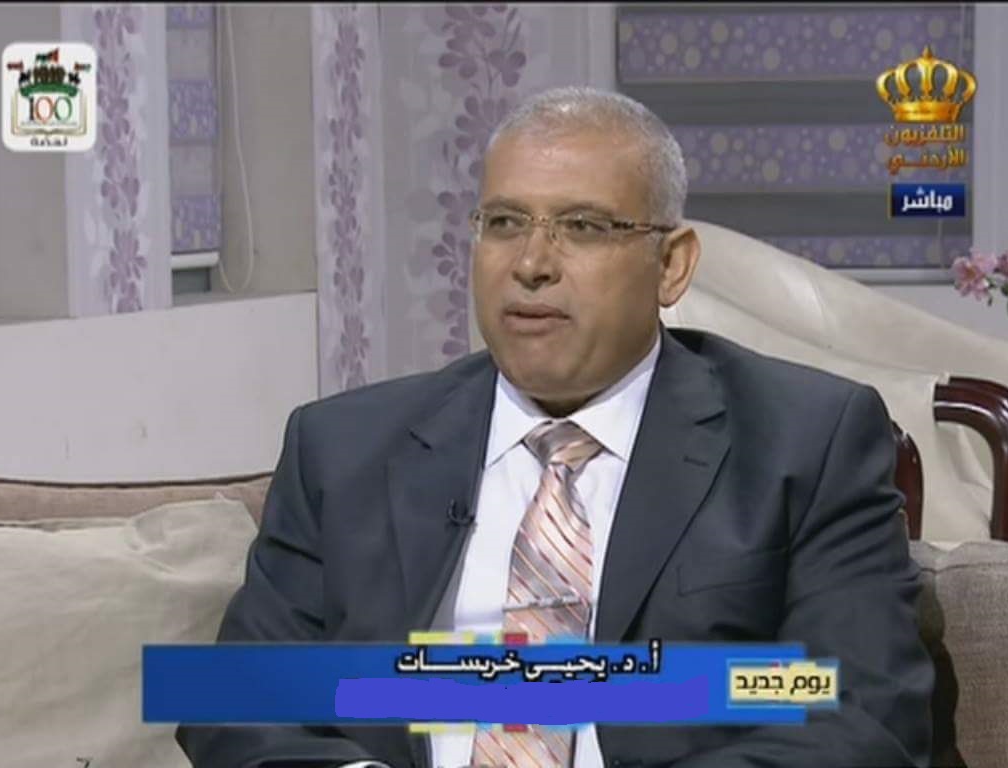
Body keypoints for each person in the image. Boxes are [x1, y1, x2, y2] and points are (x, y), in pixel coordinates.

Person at [177, 86, 934, 768]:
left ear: (671, 265)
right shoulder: (343, 449)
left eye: (583, 226)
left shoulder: (806, 442)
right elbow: (236, 701)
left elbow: (862, 718)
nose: (532, 262)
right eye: (505, 223)